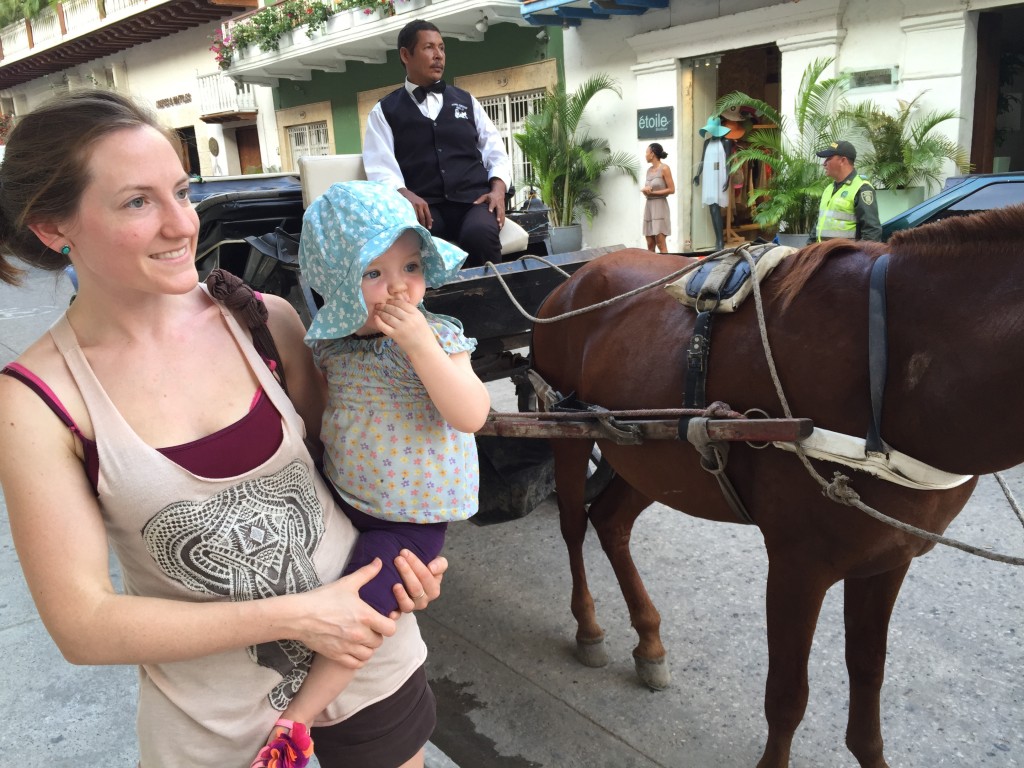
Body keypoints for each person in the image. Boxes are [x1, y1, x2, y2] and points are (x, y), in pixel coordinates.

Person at [0, 90, 450, 768]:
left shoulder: (266, 323)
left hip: (370, 670)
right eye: (136, 202)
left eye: (181, 191)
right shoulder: (38, 402)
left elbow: (360, 475)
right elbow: (83, 624)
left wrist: (408, 554)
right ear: (52, 228)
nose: (182, 224)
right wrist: (298, 617)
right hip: (215, 730)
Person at [248, 179, 490, 767]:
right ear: (337, 285)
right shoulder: (328, 345)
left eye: (410, 265)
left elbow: (472, 413)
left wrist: (422, 350)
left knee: (367, 603)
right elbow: (321, 411)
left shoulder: (439, 335)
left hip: (411, 515)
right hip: (344, 493)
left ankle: (294, 727)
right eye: (373, 273)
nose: (400, 286)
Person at [363, 19, 512, 268]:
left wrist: (498, 190)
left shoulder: (466, 101)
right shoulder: (384, 111)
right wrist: (405, 195)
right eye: (429, 48)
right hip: (424, 208)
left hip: (473, 202)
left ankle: (491, 299)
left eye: (442, 48)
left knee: (479, 235)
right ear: (405, 55)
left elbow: (495, 151)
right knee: (421, 243)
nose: (439, 56)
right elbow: (380, 168)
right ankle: (432, 305)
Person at [809, 140, 882, 243]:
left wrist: (857, 257)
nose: (824, 163)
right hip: (823, 254)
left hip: (845, 256)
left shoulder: (862, 188)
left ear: (842, 161)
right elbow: (818, 225)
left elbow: (872, 233)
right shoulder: (829, 189)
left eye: (828, 158)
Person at [692, 116, 733, 251]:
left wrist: (728, 178)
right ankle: (718, 239)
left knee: (716, 208)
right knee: (712, 208)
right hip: (709, 176)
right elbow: (702, 160)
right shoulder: (707, 143)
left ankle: (720, 241)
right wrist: (698, 174)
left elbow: (728, 162)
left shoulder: (726, 142)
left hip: (720, 176)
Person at [641, 143, 675, 253]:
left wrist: (653, 193)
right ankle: (652, 269)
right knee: (650, 243)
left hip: (660, 206)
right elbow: (650, 188)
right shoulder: (649, 170)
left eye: (646, 152)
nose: (645, 155)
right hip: (649, 207)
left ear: (652, 154)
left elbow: (671, 189)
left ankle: (667, 269)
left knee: (660, 243)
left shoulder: (665, 168)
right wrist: (646, 190)